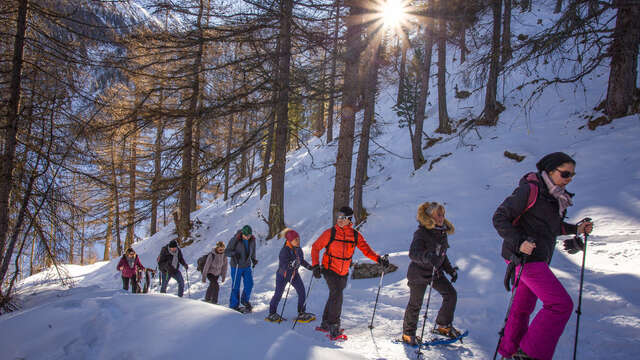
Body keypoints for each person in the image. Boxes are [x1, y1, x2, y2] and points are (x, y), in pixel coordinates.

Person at [493, 152, 593, 360]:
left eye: (572, 175)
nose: (569, 179)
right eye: (565, 174)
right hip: (524, 258)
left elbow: (551, 227)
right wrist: (520, 242)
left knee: (522, 309)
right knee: (560, 305)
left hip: (537, 257)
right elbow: (499, 217)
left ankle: (509, 354)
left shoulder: (554, 197)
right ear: (549, 171)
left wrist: (576, 228)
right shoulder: (530, 189)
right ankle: (529, 354)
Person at [310, 206, 389, 339]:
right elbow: (315, 247)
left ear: (349, 219)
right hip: (329, 269)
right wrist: (315, 266)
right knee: (337, 295)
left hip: (344, 271)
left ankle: (325, 323)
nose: (339, 219)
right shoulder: (331, 233)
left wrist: (379, 259)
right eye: (338, 216)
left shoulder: (355, 235)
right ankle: (334, 327)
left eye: (342, 217)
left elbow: (366, 250)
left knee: (334, 295)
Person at [401, 202, 461, 346]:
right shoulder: (421, 232)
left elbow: (442, 255)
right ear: (429, 216)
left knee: (451, 294)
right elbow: (413, 253)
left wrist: (450, 270)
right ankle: (408, 334)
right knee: (416, 303)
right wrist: (427, 256)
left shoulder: (442, 232)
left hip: (435, 272)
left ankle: (443, 325)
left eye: (442, 215)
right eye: (438, 215)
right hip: (418, 273)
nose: (441, 218)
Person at [266, 228, 315, 323]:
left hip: (294, 274)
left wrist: (310, 267)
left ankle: (301, 312)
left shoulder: (299, 249)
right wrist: (291, 264)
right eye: (295, 240)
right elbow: (283, 264)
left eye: (298, 239)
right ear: (289, 241)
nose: (298, 241)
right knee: (278, 294)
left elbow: (301, 260)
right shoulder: (284, 250)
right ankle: (272, 313)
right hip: (283, 275)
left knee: (302, 292)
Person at [225, 225, 258, 312]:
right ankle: (234, 305)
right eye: (246, 235)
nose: (247, 237)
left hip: (246, 265)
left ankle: (244, 300)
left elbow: (253, 251)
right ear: (242, 233)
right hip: (236, 266)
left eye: (249, 235)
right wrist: (234, 254)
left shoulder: (252, 240)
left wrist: (254, 259)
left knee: (249, 284)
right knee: (236, 285)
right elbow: (226, 252)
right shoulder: (236, 239)